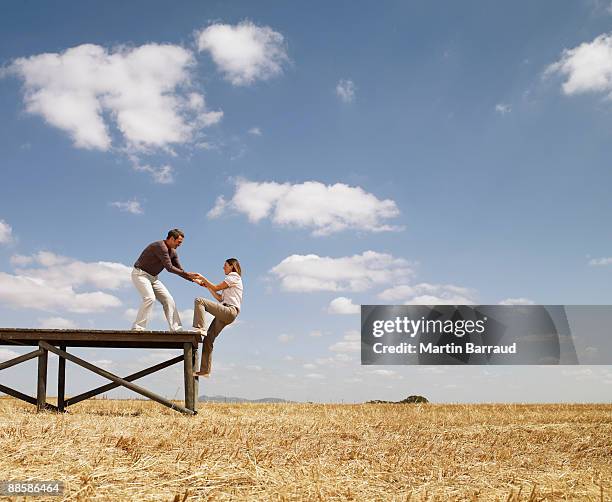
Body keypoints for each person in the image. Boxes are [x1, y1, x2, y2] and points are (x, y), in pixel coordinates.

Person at [131, 229, 199, 331]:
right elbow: (169, 268)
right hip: (141, 274)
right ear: (172, 239)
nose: (180, 245)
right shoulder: (160, 247)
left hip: (153, 278)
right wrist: (188, 275)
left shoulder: (173, 252)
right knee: (150, 298)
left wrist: (194, 280)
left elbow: (180, 270)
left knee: (169, 300)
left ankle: (176, 329)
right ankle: (138, 327)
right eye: (179, 242)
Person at [192, 258, 243, 377]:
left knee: (199, 301)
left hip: (229, 311)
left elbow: (216, 287)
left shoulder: (233, 276)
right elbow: (220, 298)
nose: (223, 267)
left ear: (232, 266)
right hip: (226, 311)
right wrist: (206, 286)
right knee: (209, 338)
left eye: (225, 265)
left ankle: (200, 327)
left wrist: (202, 277)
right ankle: (205, 371)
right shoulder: (231, 280)